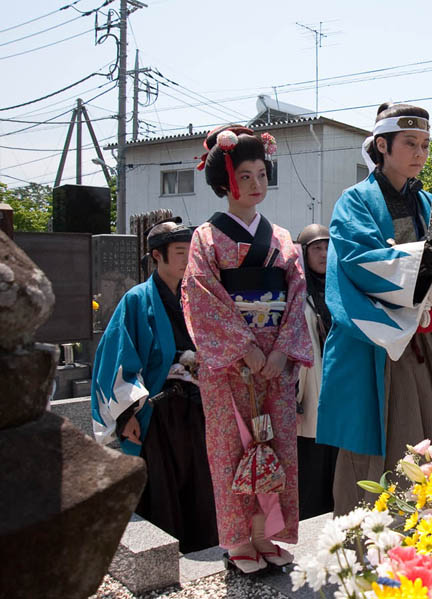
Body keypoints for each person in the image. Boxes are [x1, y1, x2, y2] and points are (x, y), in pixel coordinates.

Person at [315, 102, 432, 514]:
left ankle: (429, 534)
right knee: (373, 442)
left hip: (422, 339)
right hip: (372, 339)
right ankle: (366, 539)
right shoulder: (354, 201)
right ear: (382, 145)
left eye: (426, 145)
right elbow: (360, 262)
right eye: (410, 143)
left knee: (431, 433)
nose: (420, 153)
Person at [182, 125, 313, 573]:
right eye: (246, 175)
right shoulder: (205, 239)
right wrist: (243, 349)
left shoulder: (281, 238)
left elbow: (297, 297)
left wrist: (280, 352)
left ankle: (265, 535)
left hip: (275, 361)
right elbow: (200, 296)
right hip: (230, 367)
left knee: (276, 446)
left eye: (262, 174)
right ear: (225, 182)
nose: (257, 184)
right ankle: (238, 540)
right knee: (231, 448)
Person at [90, 218, 218, 553]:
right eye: (179, 252)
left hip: (198, 406)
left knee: (201, 484)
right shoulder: (137, 300)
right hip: (158, 413)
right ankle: (163, 558)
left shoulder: (198, 297)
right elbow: (117, 359)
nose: (186, 259)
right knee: (162, 487)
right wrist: (127, 415)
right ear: (156, 256)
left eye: (190, 251)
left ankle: (202, 549)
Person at [294, 223, 339, 519]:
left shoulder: (339, 287)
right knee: (310, 462)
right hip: (310, 387)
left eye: (327, 247)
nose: (323, 254)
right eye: (316, 249)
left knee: (337, 462)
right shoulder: (297, 295)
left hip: (339, 385)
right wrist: (294, 397)